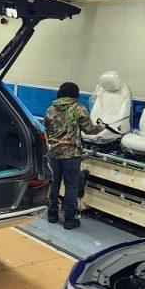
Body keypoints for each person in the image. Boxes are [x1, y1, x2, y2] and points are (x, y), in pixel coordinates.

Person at [43, 82, 103, 230]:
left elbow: (46, 129)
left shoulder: (51, 109)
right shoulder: (78, 108)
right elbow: (89, 130)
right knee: (71, 186)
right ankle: (69, 220)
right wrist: (102, 127)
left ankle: (52, 215)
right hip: (71, 155)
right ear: (75, 94)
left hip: (53, 154)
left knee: (54, 184)